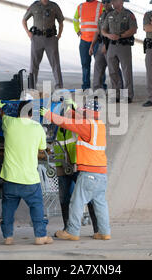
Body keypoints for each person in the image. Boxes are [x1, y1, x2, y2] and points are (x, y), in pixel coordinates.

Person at [40, 98, 110, 241]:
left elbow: (67, 123)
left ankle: (72, 231)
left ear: (89, 112)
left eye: (85, 111)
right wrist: (71, 109)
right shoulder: (99, 125)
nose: (82, 114)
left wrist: (49, 115)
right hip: (101, 173)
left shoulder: (86, 125)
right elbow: (78, 118)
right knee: (100, 203)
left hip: (89, 173)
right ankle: (104, 232)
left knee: (76, 202)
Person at [0, 98, 53, 246]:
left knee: (8, 208)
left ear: (18, 112)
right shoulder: (37, 127)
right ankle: (40, 236)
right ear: (31, 114)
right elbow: (42, 147)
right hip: (30, 179)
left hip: (11, 178)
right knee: (37, 206)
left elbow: (1, 114)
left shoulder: (9, 123)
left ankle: (8, 237)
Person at [53, 99, 99, 235]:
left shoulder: (78, 125)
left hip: (77, 165)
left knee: (89, 197)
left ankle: (97, 229)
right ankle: (67, 228)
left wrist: (75, 107)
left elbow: (85, 119)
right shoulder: (57, 129)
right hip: (62, 166)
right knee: (64, 198)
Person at [22, 0, 64, 89]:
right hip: (37, 39)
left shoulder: (54, 6)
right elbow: (24, 20)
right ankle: (32, 88)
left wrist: (58, 36)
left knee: (55, 64)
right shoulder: (34, 6)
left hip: (51, 39)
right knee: (34, 65)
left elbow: (61, 22)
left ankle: (59, 87)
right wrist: (29, 33)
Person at [101, 0, 137, 103]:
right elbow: (103, 30)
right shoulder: (109, 15)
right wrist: (108, 35)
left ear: (121, 2)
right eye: (112, 0)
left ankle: (128, 95)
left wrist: (120, 35)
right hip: (112, 46)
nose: (112, 2)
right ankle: (116, 94)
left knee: (126, 71)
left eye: (114, 0)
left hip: (124, 46)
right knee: (112, 71)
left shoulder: (128, 14)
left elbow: (133, 29)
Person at [73, 0, 103, 90]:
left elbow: (105, 20)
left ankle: (101, 87)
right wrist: (77, 30)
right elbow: (75, 19)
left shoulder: (100, 6)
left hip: (97, 41)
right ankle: (86, 87)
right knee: (85, 66)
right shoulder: (80, 7)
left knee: (99, 66)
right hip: (84, 41)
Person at [90, 0, 119, 92]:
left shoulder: (115, 14)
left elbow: (114, 33)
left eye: (107, 1)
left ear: (111, 2)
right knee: (98, 69)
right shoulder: (102, 16)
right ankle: (97, 91)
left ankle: (117, 92)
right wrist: (92, 45)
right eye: (104, 1)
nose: (105, 3)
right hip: (100, 44)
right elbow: (97, 31)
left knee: (113, 70)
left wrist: (106, 46)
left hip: (111, 45)